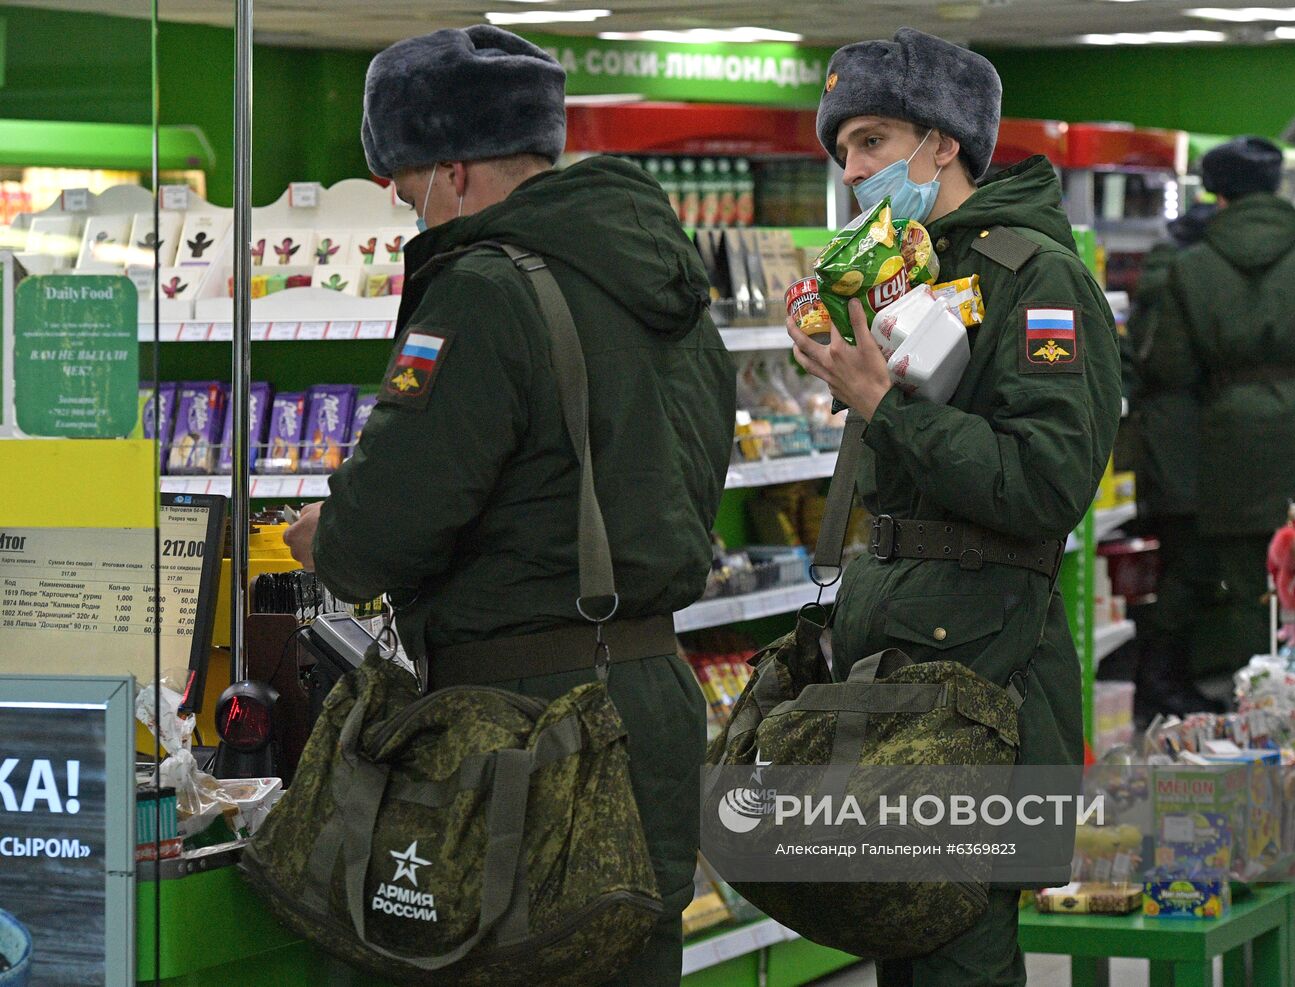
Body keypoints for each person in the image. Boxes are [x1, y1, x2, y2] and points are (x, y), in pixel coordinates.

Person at [282, 26, 736, 987]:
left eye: (407, 192)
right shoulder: (671, 287)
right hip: (649, 699)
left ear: (451, 170)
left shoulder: (484, 290)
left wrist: (330, 538)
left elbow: (385, 527)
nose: (412, 216)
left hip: (521, 720)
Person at [790, 28, 1122, 987]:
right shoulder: (905, 272)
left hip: (986, 680)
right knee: (912, 940)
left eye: (874, 142)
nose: (854, 171)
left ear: (946, 143)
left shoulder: (1038, 277)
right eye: (844, 150)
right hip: (905, 650)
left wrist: (885, 408)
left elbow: (1047, 482)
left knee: (955, 953)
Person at [1145, 136, 1295, 679]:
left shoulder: (1192, 268)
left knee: (1249, 592)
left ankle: (1257, 707)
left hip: (1231, 450)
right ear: (1277, 187)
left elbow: (1172, 374)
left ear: (1219, 194)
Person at [1123, 202, 1227, 723]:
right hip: (1177, 439)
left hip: (1165, 435)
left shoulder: (1161, 273)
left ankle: (1161, 682)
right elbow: (1170, 362)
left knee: (1175, 566)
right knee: (1181, 568)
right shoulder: (1181, 281)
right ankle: (1162, 685)